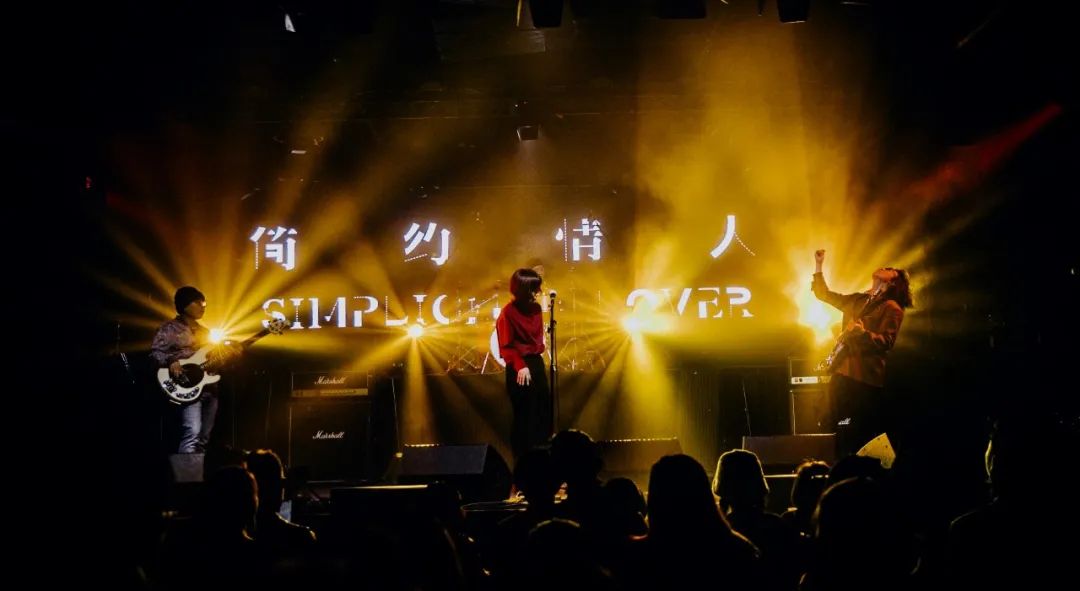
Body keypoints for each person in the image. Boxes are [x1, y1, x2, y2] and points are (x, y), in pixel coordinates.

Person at [812, 249, 912, 456]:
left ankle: (858, 467)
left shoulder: (892, 308)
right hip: (842, 371)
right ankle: (837, 463)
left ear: (893, 282)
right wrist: (819, 265)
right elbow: (824, 294)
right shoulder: (859, 300)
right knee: (835, 422)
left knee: (855, 427)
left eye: (890, 269)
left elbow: (886, 341)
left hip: (863, 377)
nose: (883, 267)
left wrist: (861, 333)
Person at [151, 286, 228, 453]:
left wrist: (227, 357)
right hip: (186, 387)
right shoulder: (169, 328)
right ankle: (186, 471)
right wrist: (171, 361)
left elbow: (212, 360)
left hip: (209, 387)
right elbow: (156, 353)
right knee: (192, 432)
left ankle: (196, 469)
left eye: (204, 303)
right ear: (185, 305)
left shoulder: (206, 332)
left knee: (204, 438)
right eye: (198, 302)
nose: (203, 306)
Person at [496, 268, 552, 459]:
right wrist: (521, 366)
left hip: (535, 363)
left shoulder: (536, 309)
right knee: (524, 417)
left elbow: (537, 340)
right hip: (518, 365)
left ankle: (543, 461)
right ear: (524, 289)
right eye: (535, 288)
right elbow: (507, 346)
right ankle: (522, 464)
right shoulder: (507, 313)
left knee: (543, 413)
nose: (538, 292)